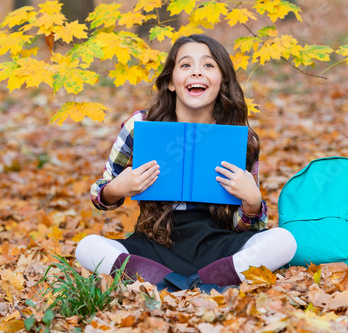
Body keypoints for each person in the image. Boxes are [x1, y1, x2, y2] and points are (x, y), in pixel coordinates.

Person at [76, 34, 297, 292]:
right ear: (171, 82)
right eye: (185, 65)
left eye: (208, 65)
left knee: (285, 241)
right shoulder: (141, 125)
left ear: (222, 82)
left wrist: (252, 203)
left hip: (219, 245)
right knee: (87, 247)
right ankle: (184, 282)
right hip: (156, 243)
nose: (196, 73)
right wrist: (117, 188)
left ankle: (183, 284)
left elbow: (250, 226)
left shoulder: (240, 137)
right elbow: (99, 194)